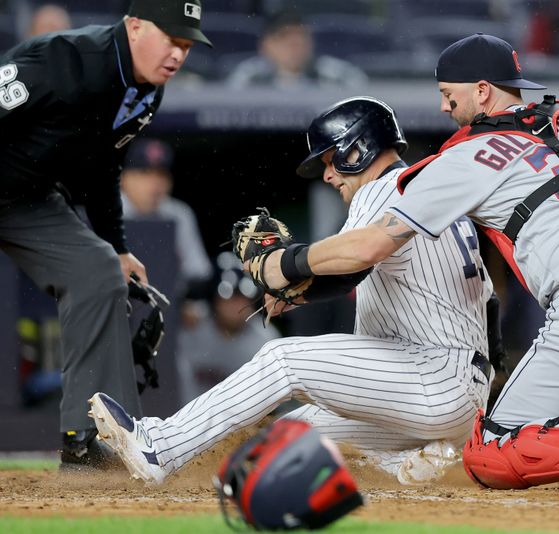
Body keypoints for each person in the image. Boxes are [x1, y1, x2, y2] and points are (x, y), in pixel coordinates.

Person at [249, 34, 559, 488]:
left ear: (483, 92)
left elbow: (371, 247)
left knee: (489, 453)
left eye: (450, 94)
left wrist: (285, 265)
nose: (444, 106)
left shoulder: (466, 153)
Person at [88, 97, 503, 485]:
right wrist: (301, 291)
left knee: (282, 358)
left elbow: (355, 257)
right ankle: (405, 463)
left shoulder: (384, 188)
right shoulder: (428, 195)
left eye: (329, 161)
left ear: (355, 151)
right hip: (446, 390)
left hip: (430, 377)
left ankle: (158, 448)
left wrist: (284, 263)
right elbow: (483, 301)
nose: (326, 174)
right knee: (288, 436)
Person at [0, 0, 211, 470]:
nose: (178, 54)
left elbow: (103, 169)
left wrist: (117, 246)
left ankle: (95, 445)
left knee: (98, 272)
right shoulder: (66, 60)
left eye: (187, 45)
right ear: (135, 26)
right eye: (171, 39)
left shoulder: (144, 92)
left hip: (26, 199)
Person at [120, 137, 213, 312]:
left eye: (161, 174)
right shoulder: (104, 211)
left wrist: (190, 302)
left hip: (163, 306)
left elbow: (198, 272)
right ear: (124, 178)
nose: (155, 184)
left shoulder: (178, 214)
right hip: (117, 302)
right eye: (145, 173)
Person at [175, 252, 281, 404]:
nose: (236, 307)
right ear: (213, 300)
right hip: (182, 417)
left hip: (243, 423)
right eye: (229, 298)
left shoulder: (266, 341)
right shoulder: (191, 325)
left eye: (243, 298)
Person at [226, 10, 367, 89]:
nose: (295, 44)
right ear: (265, 45)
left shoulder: (340, 76)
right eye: (284, 37)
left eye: (301, 36)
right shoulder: (249, 77)